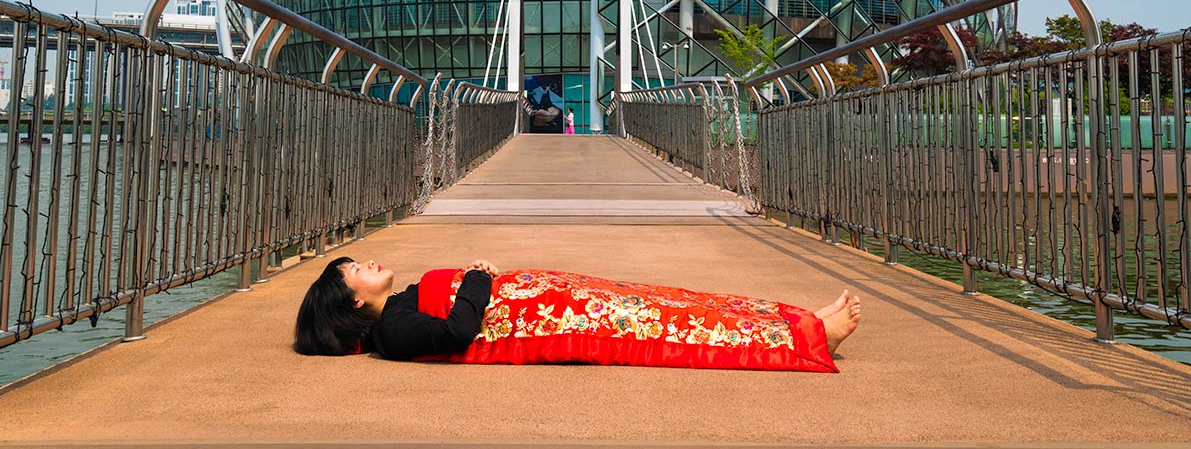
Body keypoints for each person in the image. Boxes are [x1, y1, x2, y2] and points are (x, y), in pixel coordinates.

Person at [294, 257, 861, 371]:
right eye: (354, 272)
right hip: (561, 317)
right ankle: (805, 340)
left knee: (674, 303)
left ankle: (792, 319)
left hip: (552, 296)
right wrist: (475, 277)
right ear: (353, 303)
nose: (366, 261)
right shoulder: (393, 330)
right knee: (668, 325)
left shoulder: (396, 307)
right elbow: (460, 331)